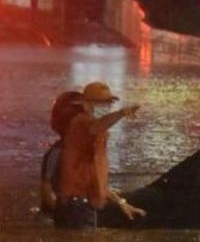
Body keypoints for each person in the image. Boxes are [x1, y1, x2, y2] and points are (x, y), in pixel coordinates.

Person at [53, 81, 145, 228]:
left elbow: (95, 181)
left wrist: (122, 203)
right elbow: (98, 125)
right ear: (86, 103)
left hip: (82, 205)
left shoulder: (95, 138)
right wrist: (120, 113)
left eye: (109, 102)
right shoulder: (81, 123)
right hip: (77, 207)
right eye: (102, 102)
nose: (107, 106)